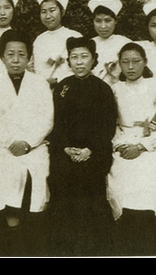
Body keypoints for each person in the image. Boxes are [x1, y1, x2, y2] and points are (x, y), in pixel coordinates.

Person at [0, 29, 54, 255]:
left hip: (33, 146)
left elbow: (47, 118)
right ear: (1, 56)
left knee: (34, 177)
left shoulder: (40, 83)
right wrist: (10, 142)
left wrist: (28, 142)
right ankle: (11, 236)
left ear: (29, 57)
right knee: (8, 177)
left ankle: (31, 238)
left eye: (21, 54)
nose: (16, 60)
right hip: (2, 146)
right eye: (10, 54)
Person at [48, 36, 117, 256]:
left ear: (94, 59)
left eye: (84, 56)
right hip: (65, 150)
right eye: (74, 57)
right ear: (68, 60)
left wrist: (90, 150)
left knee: (90, 187)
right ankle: (63, 246)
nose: (79, 62)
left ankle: (92, 247)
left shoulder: (103, 89)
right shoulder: (62, 87)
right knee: (61, 179)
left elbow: (107, 126)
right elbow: (55, 123)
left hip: (94, 151)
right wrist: (65, 148)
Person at [106, 42, 156, 256]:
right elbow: (110, 124)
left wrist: (143, 146)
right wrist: (120, 144)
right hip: (123, 142)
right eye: (125, 62)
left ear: (145, 62)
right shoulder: (115, 89)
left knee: (151, 175)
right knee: (121, 174)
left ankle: (152, 232)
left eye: (136, 61)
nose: (130, 67)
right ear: (119, 64)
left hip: (151, 143)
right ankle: (125, 230)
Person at [32, 0, 82, 88]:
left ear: (62, 12)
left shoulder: (74, 36)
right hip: (43, 89)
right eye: (43, 12)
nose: (48, 16)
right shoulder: (39, 40)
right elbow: (37, 69)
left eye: (52, 10)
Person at [87, 0, 131, 84]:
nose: (103, 26)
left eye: (108, 21)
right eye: (98, 21)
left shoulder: (125, 43)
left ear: (115, 21)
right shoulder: (89, 43)